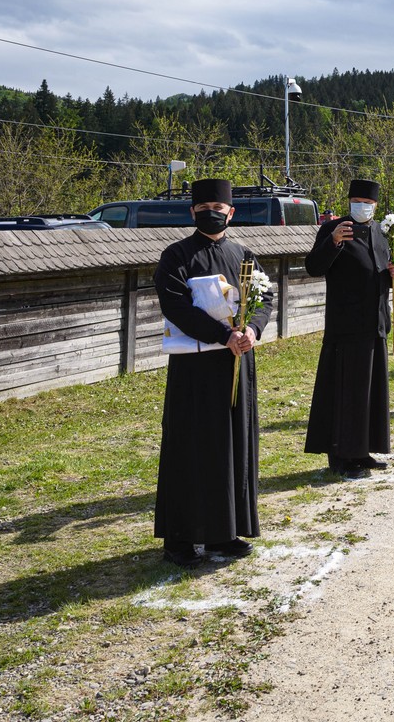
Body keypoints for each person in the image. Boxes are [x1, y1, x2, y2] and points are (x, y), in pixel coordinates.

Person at [153, 178, 272, 568]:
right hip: (195, 369)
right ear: (192, 212)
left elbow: (264, 297)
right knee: (190, 448)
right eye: (203, 207)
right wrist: (225, 334)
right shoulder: (176, 256)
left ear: (230, 212)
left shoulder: (244, 255)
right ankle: (181, 539)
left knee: (232, 447)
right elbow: (176, 307)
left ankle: (224, 532)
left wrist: (251, 331)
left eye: (218, 208)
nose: (211, 212)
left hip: (237, 362)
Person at [304, 178, 394, 480]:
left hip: (375, 323)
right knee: (347, 393)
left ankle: (363, 450)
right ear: (349, 202)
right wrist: (333, 241)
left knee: (370, 392)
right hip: (346, 325)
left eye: (368, 203)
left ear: (375, 206)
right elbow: (313, 266)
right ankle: (342, 456)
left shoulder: (381, 232)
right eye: (358, 201)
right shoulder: (334, 229)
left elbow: (380, 274)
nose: (363, 207)